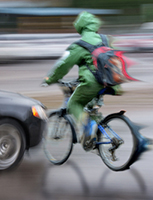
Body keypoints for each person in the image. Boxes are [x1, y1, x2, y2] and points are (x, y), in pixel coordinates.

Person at [42, 11, 122, 146]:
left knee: (74, 103)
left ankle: (87, 129)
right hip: (112, 83)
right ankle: (96, 137)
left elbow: (63, 65)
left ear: (80, 27)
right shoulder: (107, 39)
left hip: (93, 83)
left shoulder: (79, 45)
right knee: (91, 105)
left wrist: (50, 79)